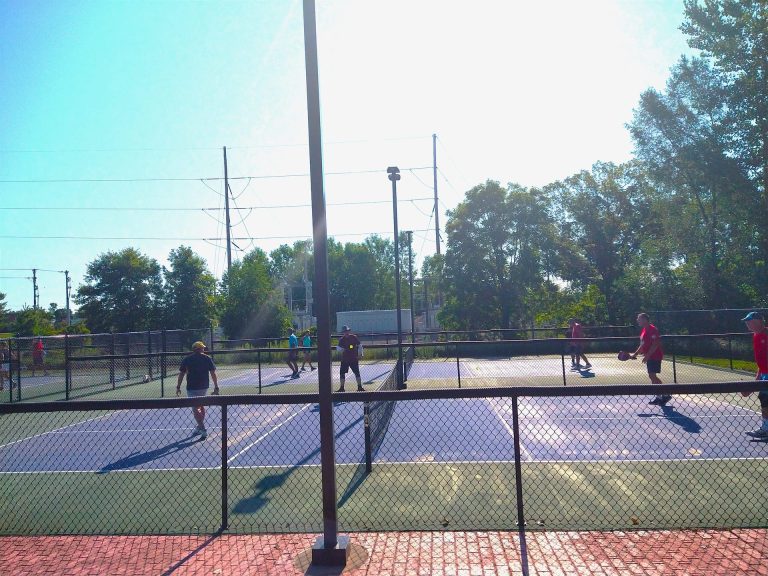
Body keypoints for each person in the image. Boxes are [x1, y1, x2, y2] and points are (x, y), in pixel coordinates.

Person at [176, 341, 219, 439]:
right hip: (203, 387)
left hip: (192, 387)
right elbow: (213, 373)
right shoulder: (206, 358)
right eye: (202, 348)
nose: (203, 350)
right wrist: (216, 386)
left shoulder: (187, 359)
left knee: (195, 408)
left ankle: (203, 429)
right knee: (199, 406)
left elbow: (181, 374)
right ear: (198, 349)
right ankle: (200, 426)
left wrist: (178, 387)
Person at [630, 312, 668, 405]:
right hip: (650, 356)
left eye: (639, 319)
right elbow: (642, 345)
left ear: (645, 320)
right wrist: (635, 354)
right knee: (652, 376)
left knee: (652, 376)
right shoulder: (643, 330)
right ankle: (660, 397)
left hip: (655, 356)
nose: (637, 320)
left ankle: (666, 394)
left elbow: (655, 344)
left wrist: (647, 356)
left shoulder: (652, 329)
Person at [740, 311, 768, 440]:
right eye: (746, 321)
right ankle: (765, 428)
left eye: (749, 321)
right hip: (764, 374)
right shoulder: (755, 335)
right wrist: (756, 380)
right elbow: (761, 362)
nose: (747, 324)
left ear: (758, 321)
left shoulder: (766, 334)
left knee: (765, 399)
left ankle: (765, 429)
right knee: (764, 400)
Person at [336, 325, 364, 392]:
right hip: (345, 359)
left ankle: (359, 387)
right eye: (345, 331)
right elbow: (338, 348)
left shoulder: (354, 337)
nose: (346, 332)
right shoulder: (341, 340)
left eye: (347, 331)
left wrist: (360, 354)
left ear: (349, 331)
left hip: (353, 359)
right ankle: (342, 388)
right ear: (343, 332)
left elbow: (360, 346)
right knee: (342, 373)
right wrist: (341, 349)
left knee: (357, 373)